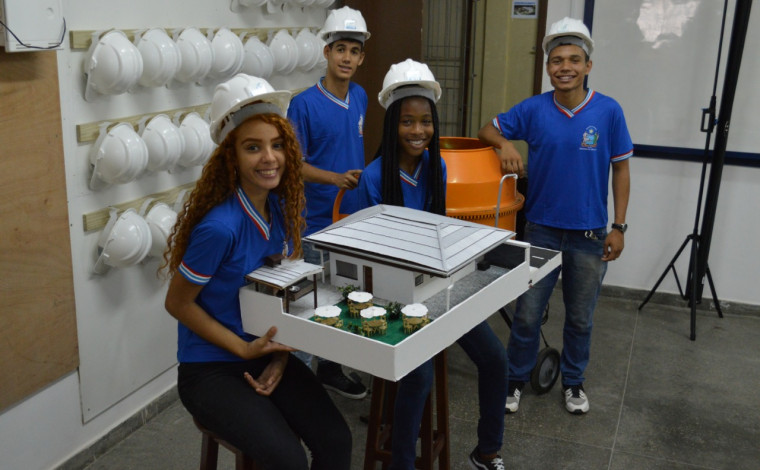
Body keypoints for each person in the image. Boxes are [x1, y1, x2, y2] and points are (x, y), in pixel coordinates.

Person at [163, 74, 352, 469]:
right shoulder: (220, 227)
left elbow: (274, 295)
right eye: (253, 147)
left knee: (336, 440)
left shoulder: (278, 210)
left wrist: (279, 355)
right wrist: (243, 349)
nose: (269, 157)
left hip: (263, 352)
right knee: (288, 461)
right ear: (231, 156)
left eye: (277, 145)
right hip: (210, 369)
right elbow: (177, 304)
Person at [357, 59, 508, 470]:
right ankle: (402, 463)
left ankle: (487, 452)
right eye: (407, 121)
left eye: (425, 121)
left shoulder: (435, 166)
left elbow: (437, 232)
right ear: (393, 124)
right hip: (392, 297)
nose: (418, 130)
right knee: (420, 376)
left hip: (435, 287)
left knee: (496, 359)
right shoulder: (373, 178)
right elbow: (367, 259)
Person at [478, 17, 632, 415]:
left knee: (580, 318)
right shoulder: (533, 109)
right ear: (547, 67)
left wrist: (618, 226)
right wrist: (505, 145)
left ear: (588, 65)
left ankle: (574, 382)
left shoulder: (608, 112)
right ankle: (514, 379)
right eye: (557, 60)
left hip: (589, 234)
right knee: (527, 315)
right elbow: (486, 130)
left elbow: (621, 169)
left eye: (574, 60)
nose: (565, 67)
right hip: (541, 230)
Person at [286, 5, 371, 399]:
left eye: (354, 51)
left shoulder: (361, 97)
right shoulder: (303, 104)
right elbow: (293, 165)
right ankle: (298, 389)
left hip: (350, 220)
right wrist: (335, 178)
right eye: (340, 49)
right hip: (315, 222)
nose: (346, 58)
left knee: (341, 298)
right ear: (327, 52)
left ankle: (330, 370)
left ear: (361, 57)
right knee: (311, 304)